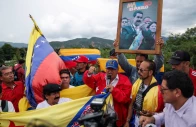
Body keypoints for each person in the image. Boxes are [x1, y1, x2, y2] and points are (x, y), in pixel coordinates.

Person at [83, 60, 132, 127]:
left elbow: (126, 99)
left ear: (117, 70)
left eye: (113, 69)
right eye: (108, 69)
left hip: (116, 118)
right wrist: (89, 73)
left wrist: (114, 91)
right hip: (100, 115)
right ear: (105, 69)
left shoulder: (125, 80)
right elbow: (89, 82)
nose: (110, 71)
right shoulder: (100, 77)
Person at [124, 60, 164, 127]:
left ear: (150, 72)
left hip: (149, 123)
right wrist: (127, 121)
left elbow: (165, 113)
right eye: (139, 69)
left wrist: (151, 114)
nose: (139, 72)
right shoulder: (137, 83)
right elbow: (131, 103)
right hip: (136, 120)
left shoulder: (159, 91)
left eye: (142, 70)